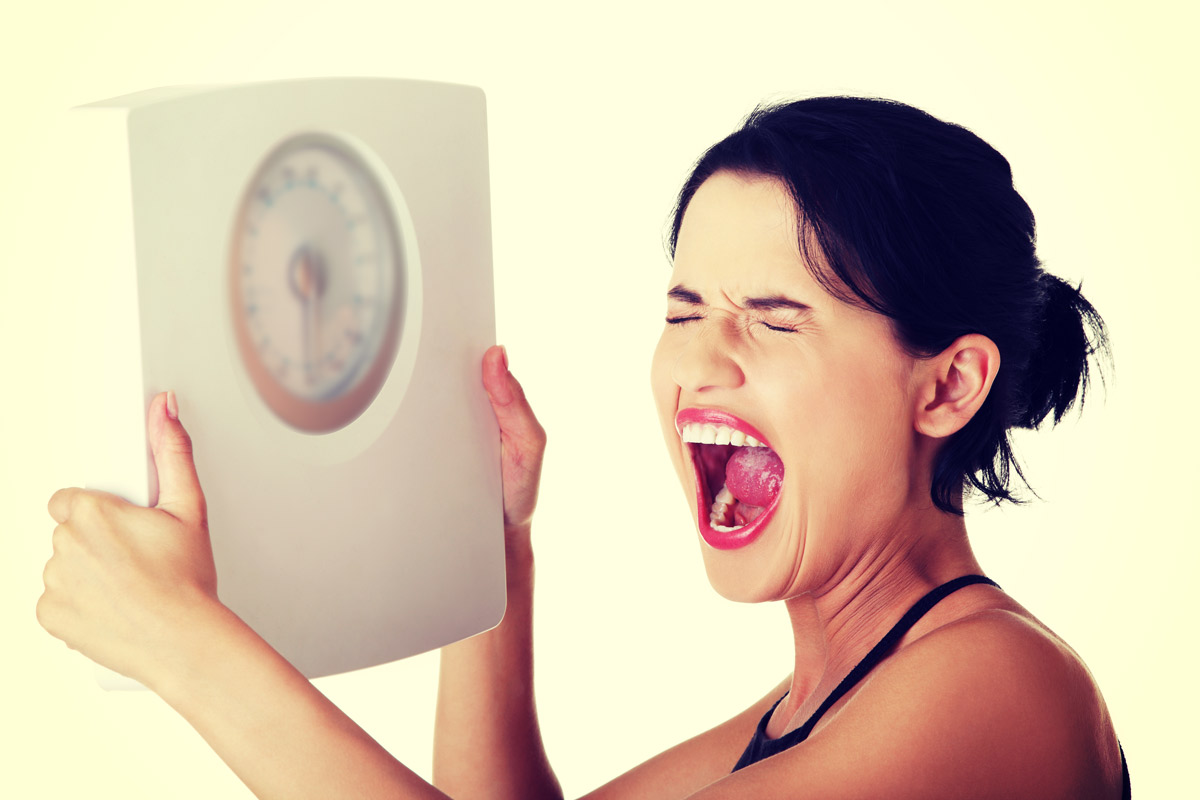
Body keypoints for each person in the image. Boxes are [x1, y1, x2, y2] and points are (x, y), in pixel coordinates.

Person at [37, 96, 1128, 798]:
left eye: (775, 314)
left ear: (949, 383)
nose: (702, 358)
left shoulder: (997, 689)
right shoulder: (809, 713)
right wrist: (493, 537)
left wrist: (187, 643)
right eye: (685, 307)